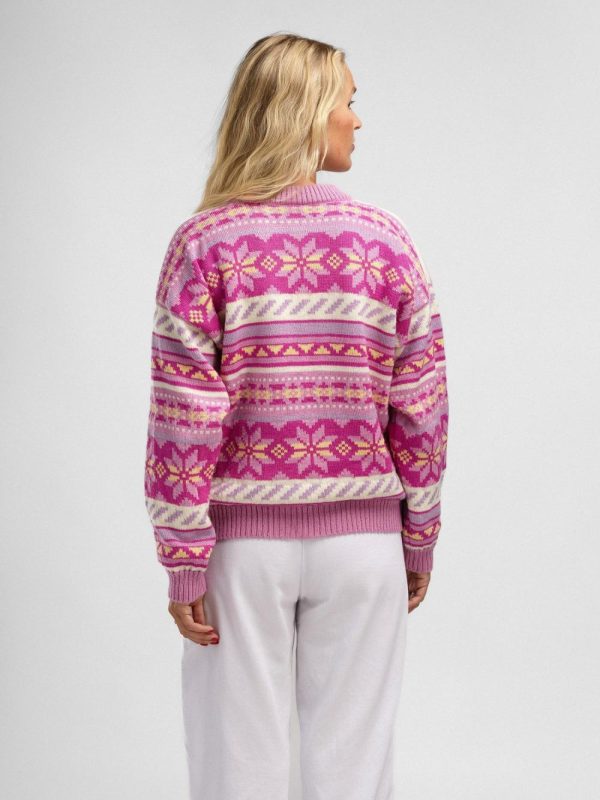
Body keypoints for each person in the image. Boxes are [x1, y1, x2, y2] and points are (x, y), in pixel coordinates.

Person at [144, 32, 449, 800]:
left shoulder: (203, 243)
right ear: (308, 111)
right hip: (363, 546)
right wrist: (418, 535)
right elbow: (421, 406)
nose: (357, 119)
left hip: (242, 549)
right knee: (354, 770)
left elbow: (183, 412)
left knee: (235, 768)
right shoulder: (387, 242)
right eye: (348, 100)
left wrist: (183, 556)